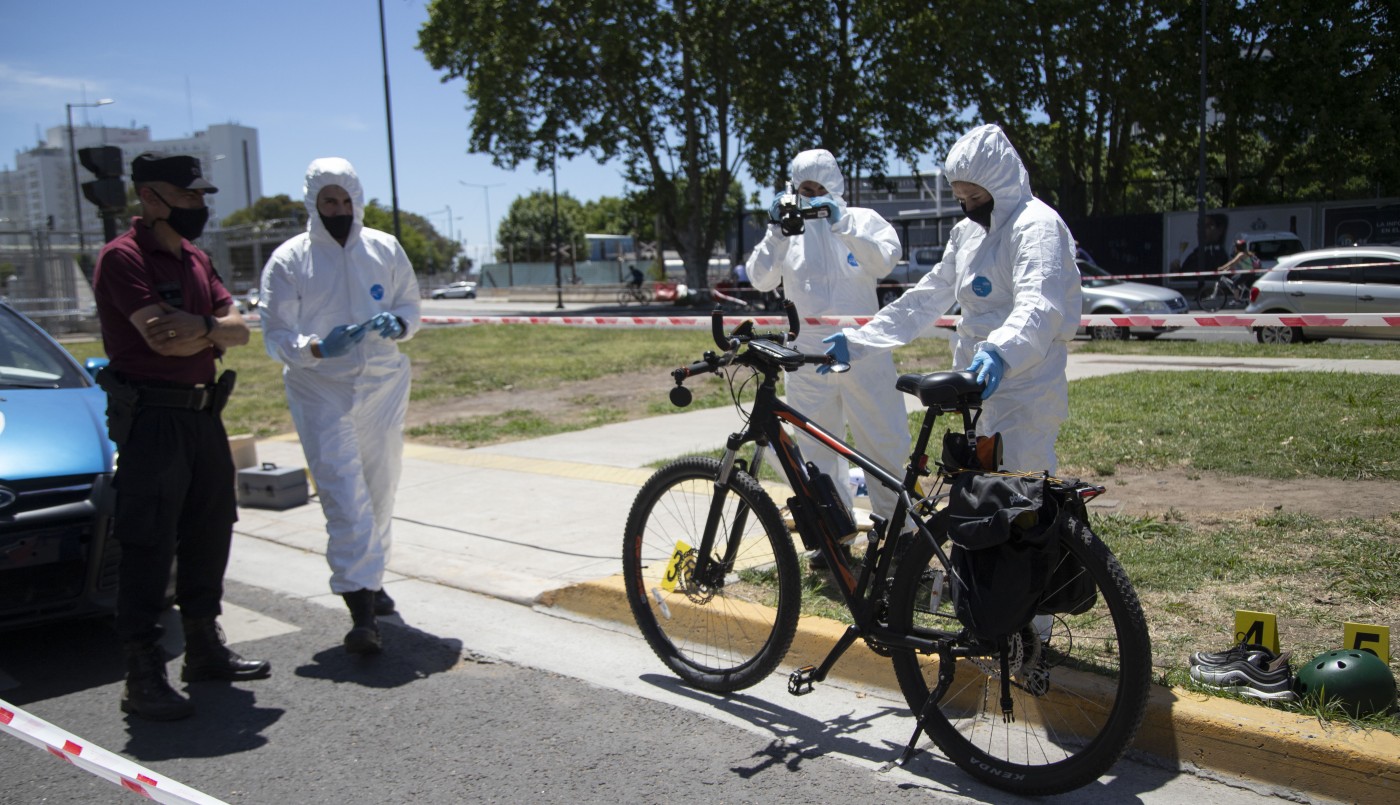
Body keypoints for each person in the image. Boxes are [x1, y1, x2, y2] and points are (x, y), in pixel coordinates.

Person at [92, 151, 270, 721]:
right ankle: (142, 671)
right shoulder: (122, 259)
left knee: (209, 529)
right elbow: (162, 341)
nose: (198, 206)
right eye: (188, 196)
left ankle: (203, 647)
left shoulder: (196, 258)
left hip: (201, 416)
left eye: (200, 196)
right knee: (148, 543)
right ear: (150, 197)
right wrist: (210, 332)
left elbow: (242, 331)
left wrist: (207, 331)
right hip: (154, 419)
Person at [823, 124, 1081, 475]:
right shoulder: (967, 234)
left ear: (1000, 185)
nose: (967, 208)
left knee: (1024, 490)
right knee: (983, 494)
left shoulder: (1035, 226)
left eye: (975, 198)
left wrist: (1000, 352)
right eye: (961, 199)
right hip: (976, 386)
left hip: (1026, 387)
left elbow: (1040, 304)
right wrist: (859, 340)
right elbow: (925, 299)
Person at [259, 158, 422, 655]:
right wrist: (315, 348)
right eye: (329, 201)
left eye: (346, 200)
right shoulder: (290, 261)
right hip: (319, 387)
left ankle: (371, 579)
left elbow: (409, 304)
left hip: (381, 384)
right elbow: (276, 336)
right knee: (343, 495)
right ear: (312, 202)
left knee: (380, 490)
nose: (339, 210)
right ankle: (360, 609)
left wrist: (399, 324)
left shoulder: (383, 248)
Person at [745, 149, 911, 560]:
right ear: (793, 191)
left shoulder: (862, 220)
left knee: (883, 443)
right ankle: (834, 539)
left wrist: (843, 223)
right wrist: (776, 233)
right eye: (805, 190)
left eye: (820, 188)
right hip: (806, 361)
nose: (813, 196)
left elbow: (886, 259)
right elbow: (759, 278)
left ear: (835, 186)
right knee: (817, 451)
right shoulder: (788, 233)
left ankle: (899, 540)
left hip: (864, 355)